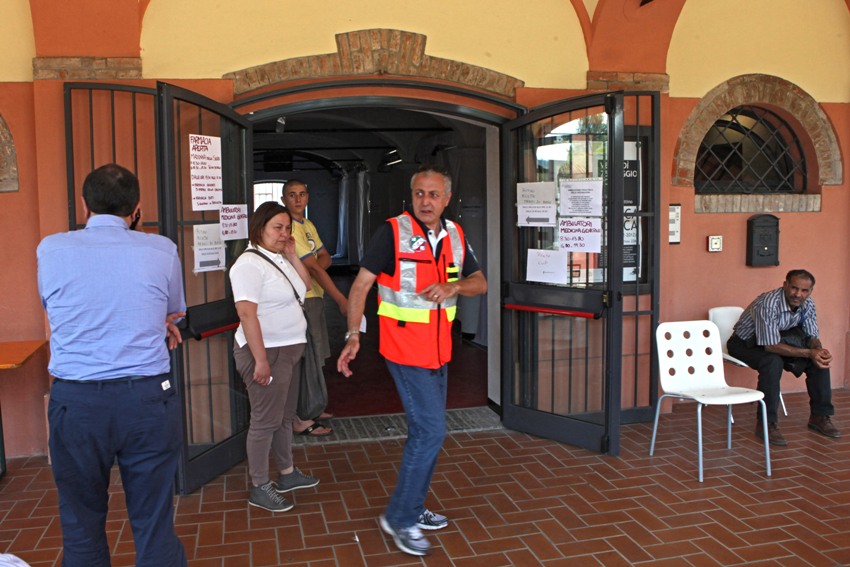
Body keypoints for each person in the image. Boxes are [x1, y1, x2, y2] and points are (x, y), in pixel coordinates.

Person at [37, 163, 188, 566]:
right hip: (147, 399)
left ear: (84, 205)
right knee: (154, 519)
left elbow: (57, 307)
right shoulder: (162, 249)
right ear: (137, 208)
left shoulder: (50, 248)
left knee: (81, 522)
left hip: (77, 403)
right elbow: (173, 311)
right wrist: (152, 322)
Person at [337, 165, 487, 556]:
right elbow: (360, 286)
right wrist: (354, 335)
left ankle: (413, 507)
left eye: (433, 194)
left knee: (428, 433)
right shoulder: (392, 232)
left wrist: (454, 285)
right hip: (404, 350)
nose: (426, 201)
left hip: (439, 352)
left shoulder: (455, 235)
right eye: (419, 193)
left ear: (447, 198)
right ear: (412, 196)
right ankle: (400, 517)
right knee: (431, 432)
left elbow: (480, 282)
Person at [230, 201, 321, 512]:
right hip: (266, 351)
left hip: (290, 348)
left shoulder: (279, 258)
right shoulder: (248, 265)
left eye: (287, 228)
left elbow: (306, 285)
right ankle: (259, 486)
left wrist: (293, 254)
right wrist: (261, 361)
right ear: (259, 229)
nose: (284, 234)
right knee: (265, 421)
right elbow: (246, 314)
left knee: (284, 417)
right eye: (277, 228)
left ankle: (286, 474)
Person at [727, 269, 840, 447]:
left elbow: (811, 335)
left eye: (804, 291)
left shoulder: (808, 303)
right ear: (785, 285)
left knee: (817, 361)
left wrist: (817, 350)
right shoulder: (768, 303)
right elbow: (770, 346)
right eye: (794, 288)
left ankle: (820, 416)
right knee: (772, 362)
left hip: (780, 338)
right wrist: (808, 352)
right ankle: (767, 423)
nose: (798, 294)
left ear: (810, 291)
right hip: (745, 343)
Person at [281, 179, 348, 436]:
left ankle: (313, 406)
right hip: (302, 299)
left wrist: (315, 268)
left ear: (308, 196)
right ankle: (302, 416)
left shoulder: (307, 225)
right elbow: (314, 265)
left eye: (301, 194)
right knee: (306, 356)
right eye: (291, 195)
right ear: (284, 199)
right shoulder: (289, 228)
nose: (297, 200)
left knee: (317, 353)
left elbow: (325, 258)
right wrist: (340, 298)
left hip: (315, 295)